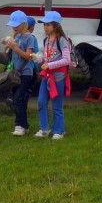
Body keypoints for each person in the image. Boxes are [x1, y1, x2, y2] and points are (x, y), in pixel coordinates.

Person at [34, 11, 72, 140]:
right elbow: (46, 57)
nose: (45, 27)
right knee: (41, 101)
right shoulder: (46, 40)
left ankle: (59, 130)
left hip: (58, 77)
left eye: (48, 25)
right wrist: (38, 58)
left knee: (57, 104)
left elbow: (67, 60)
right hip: (47, 77)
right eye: (44, 25)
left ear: (55, 26)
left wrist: (50, 65)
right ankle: (44, 128)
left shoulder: (62, 41)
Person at [1, 10, 36, 136]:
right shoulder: (15, 37)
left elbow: (29, 56)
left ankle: (19, 125)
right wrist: (7, 46)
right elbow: (7, 55)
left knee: (17, 99)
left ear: (24, 24)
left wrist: (16, 48)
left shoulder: (29, 38)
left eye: (17, 25)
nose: (14, 27)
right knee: (17, 99)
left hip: (25, 73)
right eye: (13, 25)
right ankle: (23, 125)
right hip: (14, 73)